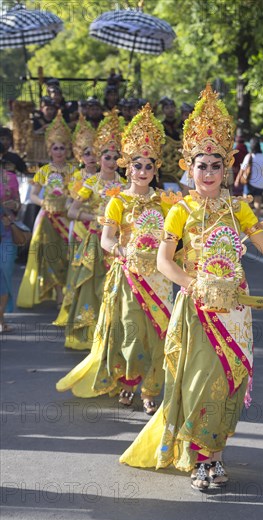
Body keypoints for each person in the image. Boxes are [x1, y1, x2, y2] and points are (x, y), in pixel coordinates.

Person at [119, 84, 263, 490]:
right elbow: (164, 262)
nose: (208, 174)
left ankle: (215, 457)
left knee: (228, 381)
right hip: (198, 308)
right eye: (201, 165)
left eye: (215, 166)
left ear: (227, 167)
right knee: (201, 382)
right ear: (189, 167)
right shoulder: (179, 210)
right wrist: (193, 284)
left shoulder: (239, 209)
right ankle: (201, 460)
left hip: (236, 311)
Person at [56, 104, 176, 415]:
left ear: (155, 169)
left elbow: (180, 238)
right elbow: (108, 240)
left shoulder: (166, 201)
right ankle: (127, 383)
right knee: (130, 334)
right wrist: (125, 251)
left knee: (158, 336)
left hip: (160, 279)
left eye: (150, 166)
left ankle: (151, 389)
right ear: (127, 167)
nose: (144, 171)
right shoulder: (116, 201)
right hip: (129, 275)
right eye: (138, 166)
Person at [57, 109, 126, 350]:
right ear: (99, 158)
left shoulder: (125, 185)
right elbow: (72, 212)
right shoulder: (90, 182)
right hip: (95, 240)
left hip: (117, 243)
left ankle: (112, 335)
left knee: (115, 288)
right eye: (106, 157)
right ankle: (89, 334)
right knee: (92, 287)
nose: (110, 161)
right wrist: (95, 217)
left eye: (116, 157)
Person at [16, 111, 74, 309]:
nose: (59, 151)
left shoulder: (75, 171)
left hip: (69, 218)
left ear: (68, 150)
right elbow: (32, 196)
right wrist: (44, 204)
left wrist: (69, 204)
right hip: (48, 219)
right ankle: (59, 295)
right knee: (53, 256)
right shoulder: (43, 171)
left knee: (69, 255)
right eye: (56, 148)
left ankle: (69, 293)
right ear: (50, 150)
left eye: (62, 148)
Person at [53, 114, 97, 330]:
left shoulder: (108, 178)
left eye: (95, 153)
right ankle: (74, 308)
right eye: (87, 153)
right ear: (81, 155)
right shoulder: (77, 177)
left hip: (101, 229)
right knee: (78, 269)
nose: (92, 157)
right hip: (81, 228)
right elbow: (71, 205)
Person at [0, 143, 21, 333]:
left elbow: (18, 204)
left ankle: (1, 319)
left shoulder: (10, 178)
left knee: (5, 273)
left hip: (5, 233)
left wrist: (11, 206)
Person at [234, 137, 263, 218]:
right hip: (260, 183)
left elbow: (242, 169)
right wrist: (262, 175)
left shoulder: (249, 156)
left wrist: (237, 180)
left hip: (250, 182)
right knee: (258, 201)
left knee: (246, 201)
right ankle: (256, 218)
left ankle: (248, 217)